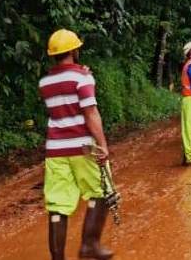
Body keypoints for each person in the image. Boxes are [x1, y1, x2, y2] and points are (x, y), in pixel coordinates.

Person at [40, 29, 113, 260]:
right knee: (101, 192)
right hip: (83, 146)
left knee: (58, 204)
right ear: (74, 50)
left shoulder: (45, 82)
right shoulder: (83, 77)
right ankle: (89, 245)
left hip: (55, 150)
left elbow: (63, 95)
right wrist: (102, 145)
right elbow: (90, 113)